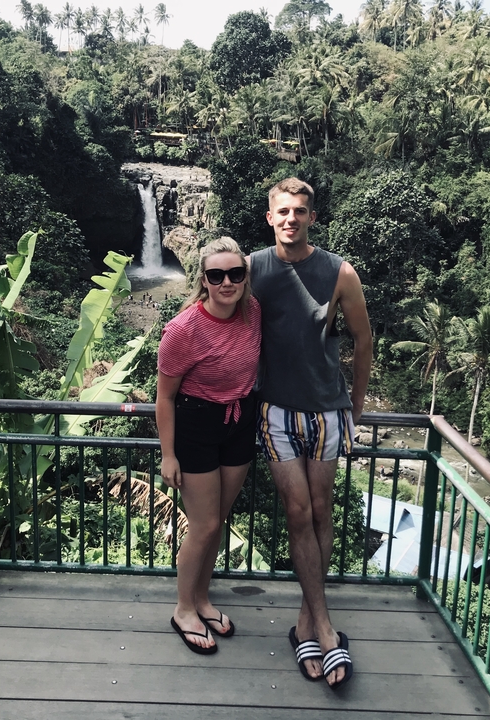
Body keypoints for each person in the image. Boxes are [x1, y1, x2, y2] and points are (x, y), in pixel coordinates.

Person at [249, 177, 372, 689]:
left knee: (322, 511)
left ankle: (304, 622)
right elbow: (217, 315)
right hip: (276, 410)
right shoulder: (253, 268)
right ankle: (324, 628)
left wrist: (355, 408)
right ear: (270, 217)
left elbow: (363, 340)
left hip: (326, 411)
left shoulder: (339, 272)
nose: (291, 219)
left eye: (300, 211)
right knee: (298, 512)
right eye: (283, 211)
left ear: (312, 218)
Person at [156, 237, 262, 655]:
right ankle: (183, 609)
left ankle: (202, 599)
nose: (227, 282)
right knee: (202, 525)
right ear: (203, 280)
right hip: (196, 426)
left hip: (240, 421)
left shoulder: (253, 312)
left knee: (217, 521)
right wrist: (169, 455)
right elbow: (164, 398)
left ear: (245, 277)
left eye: (235, 273)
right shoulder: (183, 330)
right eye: (216, 275)